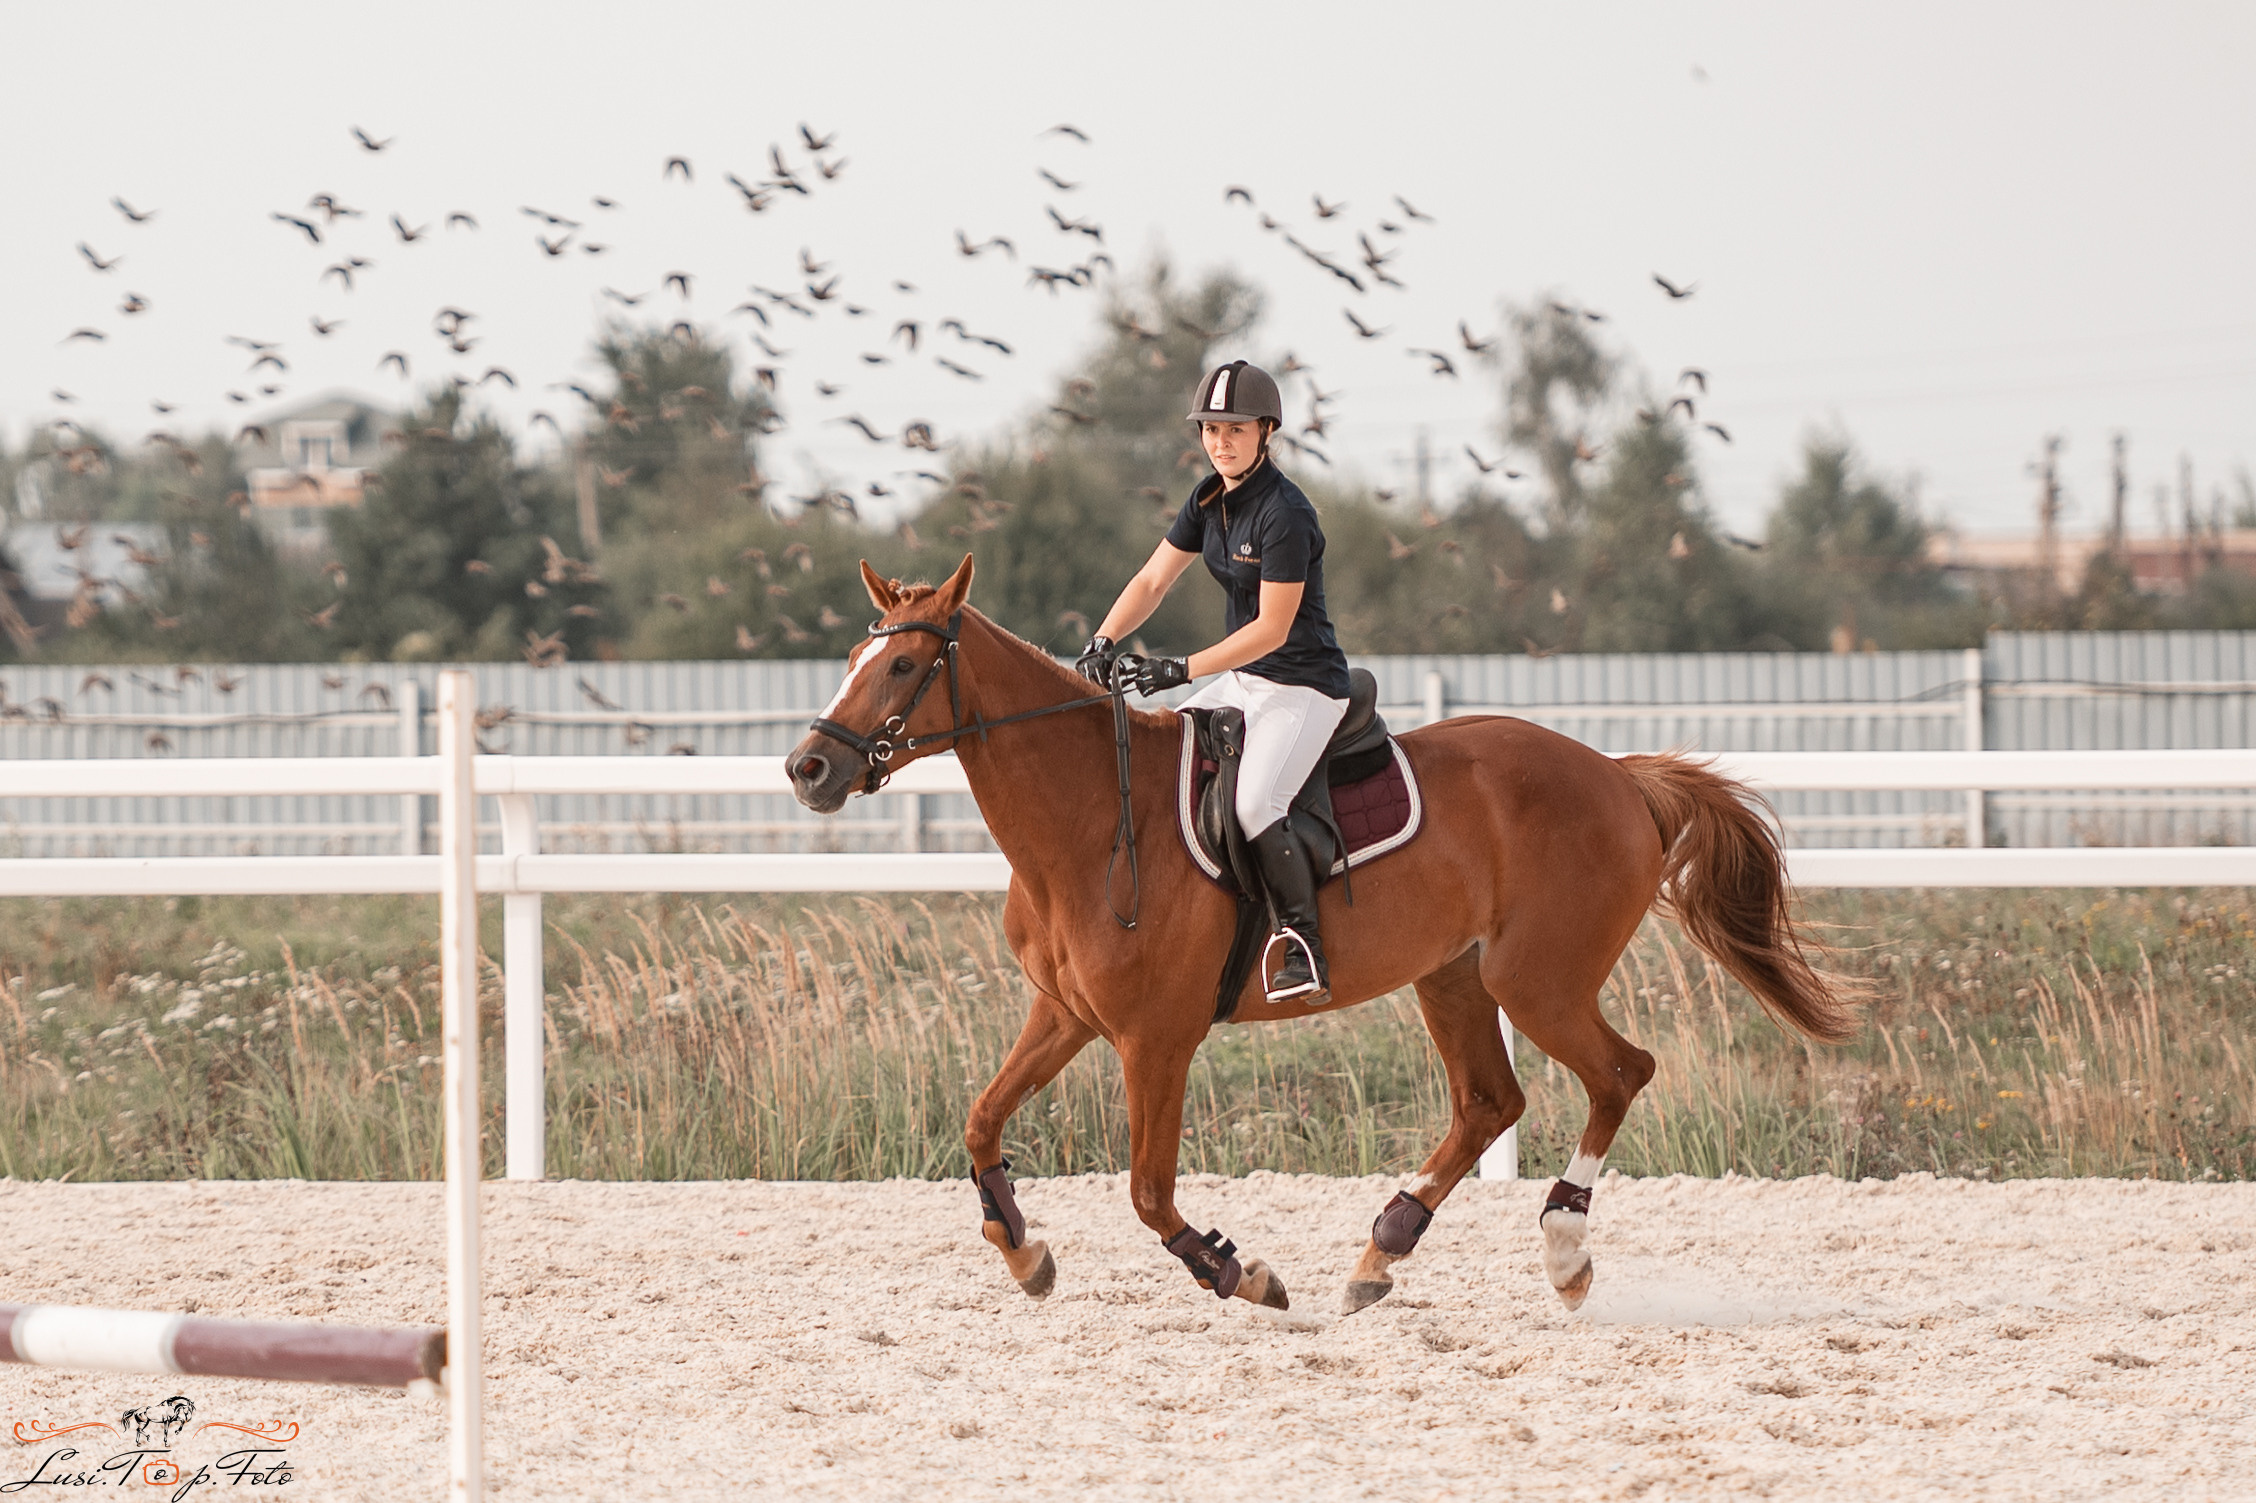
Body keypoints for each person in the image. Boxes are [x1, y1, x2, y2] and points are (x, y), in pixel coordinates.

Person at [1078, 360, 1353, 1005]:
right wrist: (1103, 639)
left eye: (1234, 429)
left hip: (1302, 686)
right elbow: (1151, 581)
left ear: (1266, 431)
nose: (1220, 441)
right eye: (1209, 428)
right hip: (1244, 681)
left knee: (1256, 805)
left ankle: (1302, 942)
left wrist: (1180, 668)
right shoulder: (1208, 500)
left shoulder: (1287, 514)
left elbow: (1272, 630)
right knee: (1161, 747)